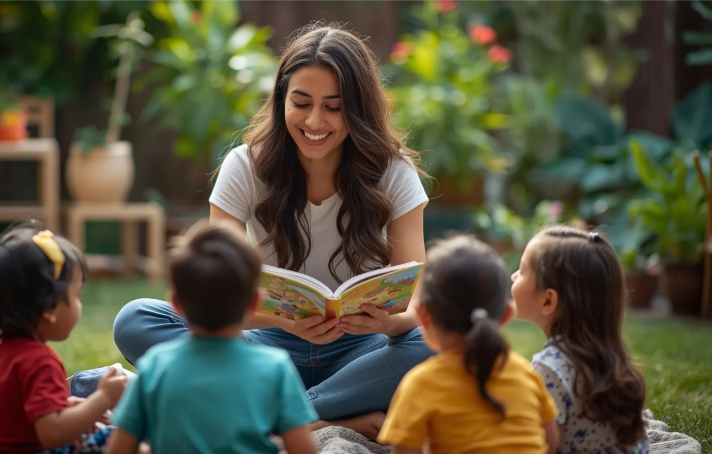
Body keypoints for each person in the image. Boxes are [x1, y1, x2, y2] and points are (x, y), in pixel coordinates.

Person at [72, 23, 433, 438]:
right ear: (281, 100)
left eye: (334, 107)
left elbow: (416, 300)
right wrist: (286, 322)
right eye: (301, 102)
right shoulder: (244, 166)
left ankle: (276, 412)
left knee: (433, 342)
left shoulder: (394, 172)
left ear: (358, 109)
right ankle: (326, 415)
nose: (315, 120)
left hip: (360, 352)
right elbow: (212, 287)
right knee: (136, 319)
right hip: (263, 343)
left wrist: (385, 325)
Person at [104, 221, 318, 454]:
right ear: (255, 303)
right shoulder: (275, 368)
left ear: (175, 303)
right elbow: (303, 450)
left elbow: (119, 449)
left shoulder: (155, 366)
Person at [377, 235, 559, 454]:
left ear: (423, 316)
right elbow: (550, 441)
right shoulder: (525, 372)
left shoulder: (420, 384)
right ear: (505, 315)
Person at [0, 223, 127, 454]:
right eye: (76, 295)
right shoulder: (41, 361)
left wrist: (61, 410)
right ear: (50, 308)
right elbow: (53, 435)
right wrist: (103, 398)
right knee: (121, 439)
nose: (80, 304)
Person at [511, 226, 649, 453]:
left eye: (522, 270)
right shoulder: (611, 356)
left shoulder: (548, 369)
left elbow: (539, 447)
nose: (513, 276)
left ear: (548, 301)